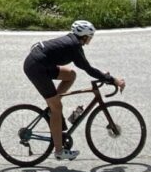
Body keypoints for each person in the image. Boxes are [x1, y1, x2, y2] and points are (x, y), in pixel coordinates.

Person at [23, 20, 124, 161]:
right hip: (37, 68)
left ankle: (54, 104)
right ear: (84, 36)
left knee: (70, 75)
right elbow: (88, 69)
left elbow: (87, 67)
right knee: (57, 108)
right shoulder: (74, 47)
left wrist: (104, 75)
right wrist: (113, 80)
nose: (91, 39)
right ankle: (59, 151)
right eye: (90, 36)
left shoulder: (71, 41)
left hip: (40, 63)